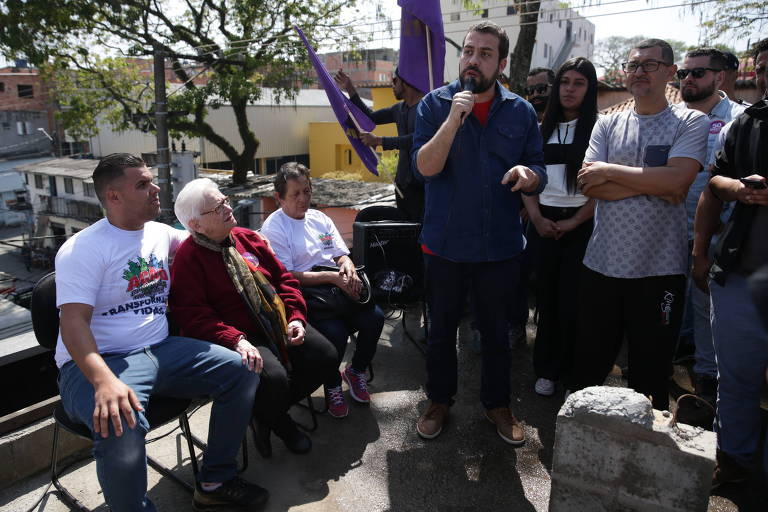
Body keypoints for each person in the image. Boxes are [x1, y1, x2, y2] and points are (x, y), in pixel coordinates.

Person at [54, 154, 267, 511]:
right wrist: (104, 382)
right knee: (119, 421)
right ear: (113, 196)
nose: (156, 189)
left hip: (160, 349)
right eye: (142, 184)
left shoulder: (159, 232)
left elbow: (207, 234)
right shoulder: (82, 249)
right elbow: (72, 323)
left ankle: (215, 480)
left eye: (151, 181)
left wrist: (254, 242)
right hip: (97, 364)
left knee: (243, 371)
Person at [411, 21, 546, 444]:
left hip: (500, 247)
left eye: (485, 53)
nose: (473, 59)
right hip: (445, 246)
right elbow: (425, 168)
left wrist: (529, 174)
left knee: (497, 334)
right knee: (440, 332)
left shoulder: (521, 112)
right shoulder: (434, 105)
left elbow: (539, 169)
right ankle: (439, 401)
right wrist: (453, 119)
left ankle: (498, 405)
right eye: (469, 51)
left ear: (501, 64)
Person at [570, 39, 709, 411]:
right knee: (589, 366)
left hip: (659, 271)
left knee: (650, 374)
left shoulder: (691, 121)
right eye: (633, 65)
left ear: (669, 72)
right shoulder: (607, 122)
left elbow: (677, 185)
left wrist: (610, 173)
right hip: (601, 266)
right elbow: (586, 183)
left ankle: (645, 457)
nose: (639, 72)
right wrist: (657, 183)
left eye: (649, 65)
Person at [169, 178, 338, 458]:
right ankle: (281, 423)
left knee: (326, 357)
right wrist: (235, 340)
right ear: (196, 225)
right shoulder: (190, 259)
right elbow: (193, 316)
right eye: (217, 207)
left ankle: (264, 413)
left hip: (276, 319)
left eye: (224, 200)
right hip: (238, 336)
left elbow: (284, 280)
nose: (227, 208)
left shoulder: (247, 238)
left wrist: (296, 316)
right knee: (274, 378)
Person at [260, 162, 385, 419]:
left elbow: (339, 252)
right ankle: (332, 385)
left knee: (375, 318)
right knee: (335, 334)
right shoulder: (275, 226)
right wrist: (333, 277)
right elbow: (287, 275)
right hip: (308, 295)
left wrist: (347, 267)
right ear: (278, 197)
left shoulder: (319, 218)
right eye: (295, 194)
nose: (303, 199)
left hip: (337, 289)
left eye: (307, 191)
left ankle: (356, 370)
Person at [705, 37, 768, 488]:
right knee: (738, 380)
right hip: (740, 275)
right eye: (762, 67)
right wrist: (739, 188)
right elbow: (715, 179)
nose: (765, 76)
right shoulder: (747, 122)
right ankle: (734, 462)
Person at [676, 47, 746, 421]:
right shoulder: (674, 119)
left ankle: (708, 385)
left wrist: (717, 229)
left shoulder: (740, 120)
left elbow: (740, 181)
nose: (688, 80)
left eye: (698, 73)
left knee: (708, 311)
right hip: (669, 233)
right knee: (673, 309)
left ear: (719, 78)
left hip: (716, 235)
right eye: (684, 74)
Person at [522, 57, 598, 397]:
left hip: (582, 225)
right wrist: (537, 218)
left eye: (578, 83)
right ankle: (547, 370)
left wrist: (575, 221)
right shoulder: (540, 129)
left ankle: (573, 377)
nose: (569, 89)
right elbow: (525, 180)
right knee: (547, 301)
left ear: (589, 88)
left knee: (577, 304)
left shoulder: (599, 128)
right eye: (565, 82)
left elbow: (603, 187)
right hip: (542, 223)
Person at [334, 66, 425, 222]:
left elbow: (418, 139)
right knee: (405, 230)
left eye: (395, 80)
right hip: (402, 184)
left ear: (406, 81)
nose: (392, 84)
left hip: (421, 185)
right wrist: (350, 88)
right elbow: (370, 117)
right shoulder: (399, 109)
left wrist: (379, 141)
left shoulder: (426, 108)